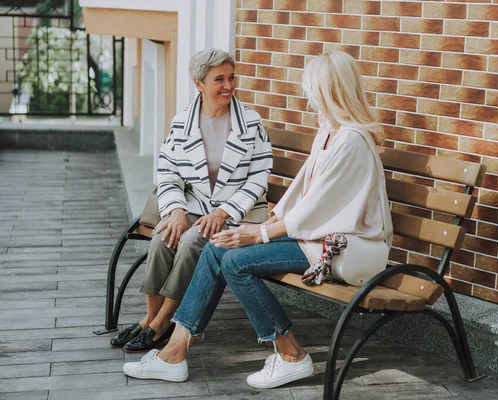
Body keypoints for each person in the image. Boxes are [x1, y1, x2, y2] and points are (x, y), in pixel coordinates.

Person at [122, 51, 393, 388]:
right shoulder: (330, 132)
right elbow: (301, 191)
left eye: (311, 88)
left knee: (233, 260)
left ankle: (291, 353)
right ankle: (174, 352)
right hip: (312, 236)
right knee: (219, 247)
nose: (307, 95)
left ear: (329, 90)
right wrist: (266, 223)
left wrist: (258, 233)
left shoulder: (351, 140)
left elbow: (317, 208)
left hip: (338, 245)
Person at [110, 49, 272, 352]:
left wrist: (224, 212)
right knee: (163, 239)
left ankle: (164, 322)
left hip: (236, 215)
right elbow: (167, 171)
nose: (229, 85)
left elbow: (260, 176)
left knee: (191, 242)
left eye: (231, 77)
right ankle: (149, 317)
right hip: (192, 208)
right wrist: (175, 210)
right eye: (219, 79)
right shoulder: (183, 121)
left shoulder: (250, 122)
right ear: (199, 83)